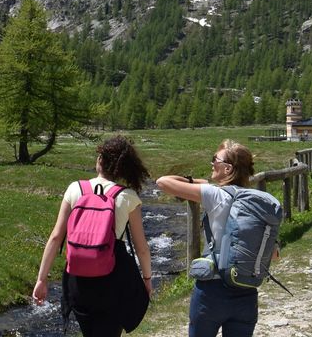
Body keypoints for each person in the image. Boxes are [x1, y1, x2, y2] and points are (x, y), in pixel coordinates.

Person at [33, 135, 154, 337]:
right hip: (113, 280)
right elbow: (141, 248)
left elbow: (56, 237)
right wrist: (147, 279)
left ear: (100, 160)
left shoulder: (75, 189)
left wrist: (41, 279)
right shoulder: (128, 197)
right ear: (122, 168)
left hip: (78, 279)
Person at [157, 140, 271, 337]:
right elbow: (274, 253)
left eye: (215, 160)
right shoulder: (258, 201)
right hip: (246, 289)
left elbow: (162, 181)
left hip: (212, 291)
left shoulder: (214, 194)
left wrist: (194, 181)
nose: (211, 164)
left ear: (227, 169)